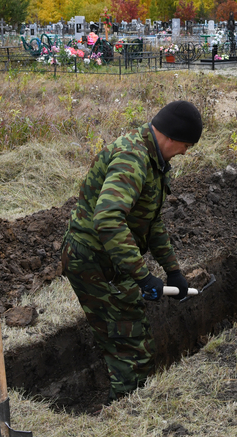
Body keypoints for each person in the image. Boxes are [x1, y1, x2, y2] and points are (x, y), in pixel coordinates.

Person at [61, 101, 202, 402]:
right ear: (172, 138)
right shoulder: (132, 159)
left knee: (132, 333)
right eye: (186, 146)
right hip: (92, 260)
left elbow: (152, 223)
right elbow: (108, 219)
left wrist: (173, 271)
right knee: (127, 343)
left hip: (110, 259)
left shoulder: (153, 162)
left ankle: (129, 397)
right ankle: (126, 410)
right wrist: (143, 277)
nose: (185, 153)